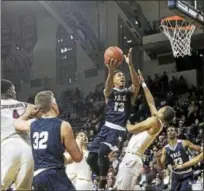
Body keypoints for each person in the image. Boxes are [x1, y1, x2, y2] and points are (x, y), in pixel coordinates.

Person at [87, 48, 140, 189]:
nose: (122, 77)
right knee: (90, 158)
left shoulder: (129, 94)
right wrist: (111, 71)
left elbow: (136, 84)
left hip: (118, 130)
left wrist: (130, 65)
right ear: (114, 81)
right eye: (119, 76)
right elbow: (107, 86)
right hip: (106, 127)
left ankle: (103, 181)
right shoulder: (109, 92)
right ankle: (102, 177)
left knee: (103, 151)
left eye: (123, 76)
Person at [114, 70, 175, 190]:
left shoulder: (154, 121)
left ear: (162, 111)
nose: (159, 107)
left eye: (162, 108)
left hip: (132, 159)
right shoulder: (158, 122)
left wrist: (123, 116)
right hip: (132, 158)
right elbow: (151, 102)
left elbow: (131, 129)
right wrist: (143, 83)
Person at [14, 91, 83, 191]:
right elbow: (77, 158)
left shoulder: (32, 124)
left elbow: (17, 123)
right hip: (54, 175)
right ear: (54, 105)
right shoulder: (63, 125)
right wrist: (79, 144)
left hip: (38, 177)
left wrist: (28, 113)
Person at [1, 79, 34, 190]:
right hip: (28, 147)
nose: (15, 92)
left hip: (8, 145)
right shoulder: (26, 105)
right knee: (23, 188)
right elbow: (41, 112)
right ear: (9, 91)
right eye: (14, 90)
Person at [156, 126, 202, 191]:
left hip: (187, 174)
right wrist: (157, 159)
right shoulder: (165, 149)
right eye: (168, 131)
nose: (170, 132)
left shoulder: (184, 142)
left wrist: (197, 157)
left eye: (172, 130)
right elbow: (161, 167)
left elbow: (200, 149)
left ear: (176, 133)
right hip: (176, 176)